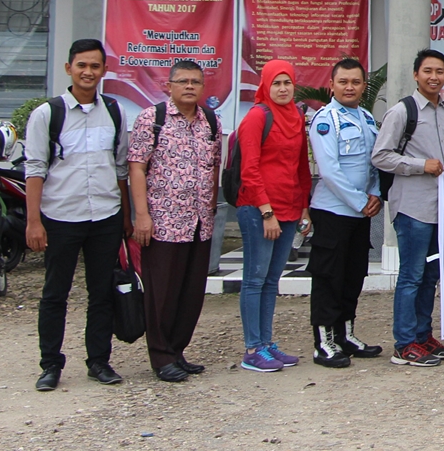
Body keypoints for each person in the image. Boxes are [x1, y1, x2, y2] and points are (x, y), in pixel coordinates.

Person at [23, 39, 130, 391]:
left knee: (102, 293)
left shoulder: (114, 111)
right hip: (60, 217)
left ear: (104, 71)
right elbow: (35, 170)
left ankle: (99, 361)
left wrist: (126, 216)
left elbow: (120, 168)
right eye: (82, 65)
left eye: (95, 66)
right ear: (69, 68)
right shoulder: (48, 114)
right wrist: (34, 222)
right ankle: (50, 365)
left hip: (105, 216)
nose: (88, 72)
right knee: (55, 293)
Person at [128, 59, 222, 382]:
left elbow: (214, 165)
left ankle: (178, 350)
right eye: (183, 81)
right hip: (163, 222)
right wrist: (141, 216)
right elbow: (137, 168)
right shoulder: (151, 119)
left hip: (199, 222)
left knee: (191, 292)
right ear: (168, 86)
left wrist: (211, 207)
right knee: (162, 293)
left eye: (195, 82)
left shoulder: (211, 121)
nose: (189, 87)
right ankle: (161, 355)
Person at [374, 50, 444, 366]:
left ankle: (423, 336)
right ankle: (404, 343)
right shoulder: (402, 112)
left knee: (430, 276)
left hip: (440, 210)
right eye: (427, 71)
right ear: (416, 75)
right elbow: (380, 156)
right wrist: (419, 165)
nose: (433, 77)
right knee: (411, 276)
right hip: (413, 210)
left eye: (439, 72)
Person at [235, 59, 313, 373]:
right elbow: (249, 169)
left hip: (290, 208)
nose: (282, 89)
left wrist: (304, 208)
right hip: (259, 210)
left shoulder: (296, 116)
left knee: (271, 280)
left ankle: (266, 343)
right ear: (266, 86)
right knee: (255, 279)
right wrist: (267, 212)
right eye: (276, 83)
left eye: (287, 83)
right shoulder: (258, 116)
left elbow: (301, 167)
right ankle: (252, 348)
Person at [306, 58, 384, 369]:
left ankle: (346, 335)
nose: (349, 87)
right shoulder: (325, 120)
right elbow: (329, 170)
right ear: (332, 85)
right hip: (333, 212)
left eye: (355, 82)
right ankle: (324, 343)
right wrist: (360, 201)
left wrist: (375, 194)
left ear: (364, 86)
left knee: (353, 276)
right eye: (343, 82)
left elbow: (374, 162)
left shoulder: (366, 118)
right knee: (329, 278)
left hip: (361, 213)